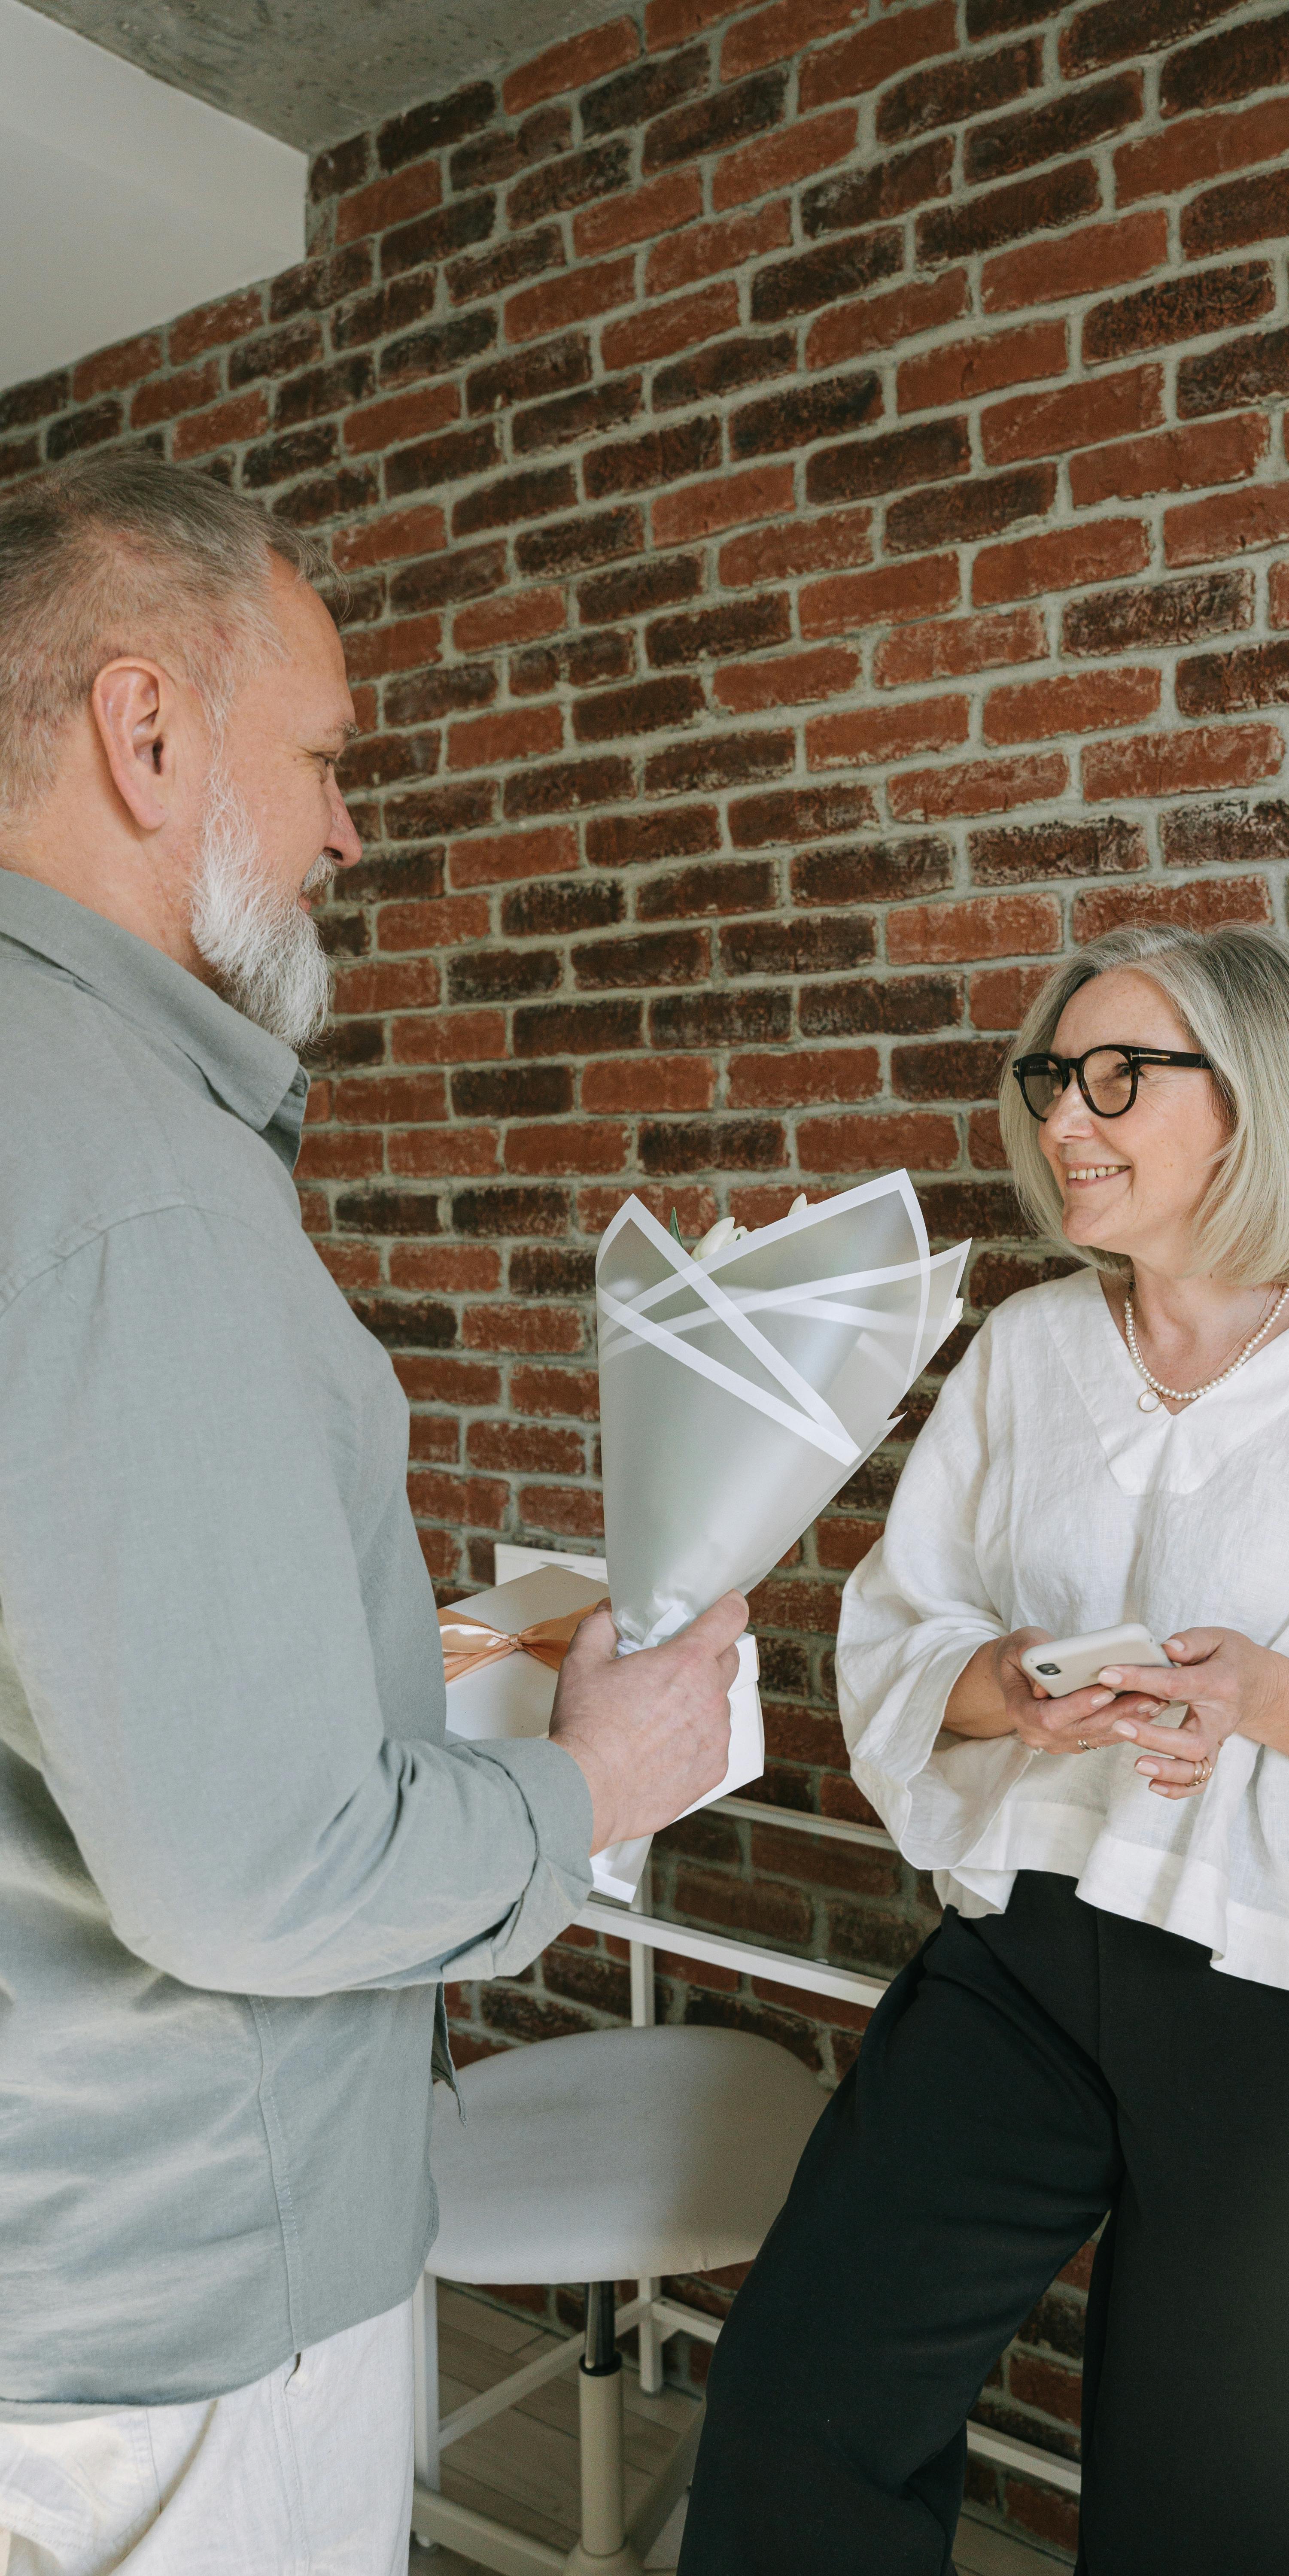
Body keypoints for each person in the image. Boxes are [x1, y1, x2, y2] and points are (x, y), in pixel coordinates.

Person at [0, 453, 746, 2574]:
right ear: (147, 736)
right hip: (163, 2331)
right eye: (321, 755)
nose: (348, 826)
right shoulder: (134, 1184)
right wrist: (593, 1784)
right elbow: (252, 1871)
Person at [680, 923, 1289, 2576]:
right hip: (1027, 1958)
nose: (1062, 1119)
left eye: (1117, 1077)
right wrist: (1008, 1685)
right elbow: (897, 1636)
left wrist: (1268, 1699)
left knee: (1216, 2533)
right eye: (1051, 1077)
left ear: (1256, 1105)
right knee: (799, 2410)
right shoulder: (1027, 1351)